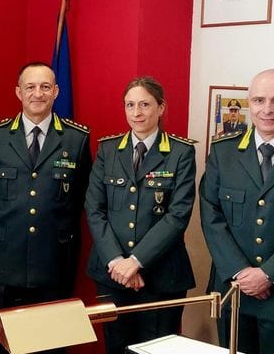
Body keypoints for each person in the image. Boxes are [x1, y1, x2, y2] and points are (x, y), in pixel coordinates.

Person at [200, 69, 274, 354]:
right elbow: (211, 216)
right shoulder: (223, 152)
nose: (267, 109)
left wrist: (269, 274)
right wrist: (240, 272)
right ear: (249, 102)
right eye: (259, 100)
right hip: (234, 291)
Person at [0, 62, 92, 351]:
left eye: (45, 87)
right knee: (9, 346)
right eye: (30, 87)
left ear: (56, 91)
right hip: (8, 260)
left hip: (55, 261)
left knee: (53, 344)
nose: (38, 94)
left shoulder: (76, 139)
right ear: (18, 92)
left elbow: (81, 196)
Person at [85, 76, 197, 353]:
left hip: (161, 276)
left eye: (145, 104)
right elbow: (95, 209)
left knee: (156, 348)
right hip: (112, 274)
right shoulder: (108, 149)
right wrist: (118, 263)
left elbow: (178, 215)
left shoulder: (181, 152)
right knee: (116, 347)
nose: (136, 112)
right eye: (130, 105)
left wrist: (136, 261)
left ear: (161, 108)